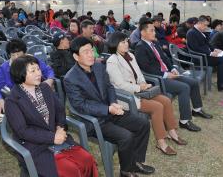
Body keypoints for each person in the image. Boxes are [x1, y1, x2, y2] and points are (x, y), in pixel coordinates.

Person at [64, 37, 155, 177]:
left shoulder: (99, 66)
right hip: (94, 121)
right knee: (126, 137)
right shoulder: (70, 78)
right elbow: (80, 105)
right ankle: (125, 171)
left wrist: (113, 102)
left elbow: (109, 87)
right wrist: (107, 109)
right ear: (76, 56)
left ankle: (135, 162)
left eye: (91, 50)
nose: (90, 55)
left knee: (143, 123)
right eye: (85, 52)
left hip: (111, 111)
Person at [5, 55, 98, 177]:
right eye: (32, 71)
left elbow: (60, 110)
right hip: (34, 146)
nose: (38, 73)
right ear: (20, 74)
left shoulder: (44, 88)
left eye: (38, 69)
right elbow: (23, 131)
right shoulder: (13, 100)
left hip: (57, 137)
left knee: (87, 160)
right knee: (71, 170)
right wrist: (52, 137)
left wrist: (60, 127)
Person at [106, 32, 187, 156]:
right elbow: (120, 85)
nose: (126, 44)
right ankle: (161, 142)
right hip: (126, 97)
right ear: (115, 44)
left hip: (140, 91)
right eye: (122, 42)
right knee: (157, 107)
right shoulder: (112, 61)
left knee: (165, 100)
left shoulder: (130, 55)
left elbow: (139, 75)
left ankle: (172, 132)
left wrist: (144, 85)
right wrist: (139, 87)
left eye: (126, 41)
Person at [135, 20, 212, 132]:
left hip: (168, 74)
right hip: (158, 79)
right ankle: (184, 121)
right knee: (184, 88)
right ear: (142, 32)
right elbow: (147, 68)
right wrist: (166, 74)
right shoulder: (140, 47)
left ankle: (197, 109)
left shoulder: (154, 43)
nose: (154, 33)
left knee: (193, 82)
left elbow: (165, 58)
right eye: (151, 30)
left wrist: (173, 68)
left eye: (154, 30)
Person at [0, 39, 55, 114]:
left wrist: (50, 79)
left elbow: (48, 70)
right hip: (20, 98)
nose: (16, 57)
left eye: (18, 54)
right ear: (9, 55)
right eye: (13, 55)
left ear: (24, 53)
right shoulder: (4, 68)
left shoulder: (32, 61)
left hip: (38, 92)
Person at [186, 16, 223, 91]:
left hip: (205, 55)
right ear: (199, 23)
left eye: (207, 25)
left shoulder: (199, 31)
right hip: (200, 58)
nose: (206, 27)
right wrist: (210, 53)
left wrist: (214, 49)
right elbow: (195, 48)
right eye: (205, 25)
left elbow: (207, 44)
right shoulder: (191, 33)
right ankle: (221, 85)